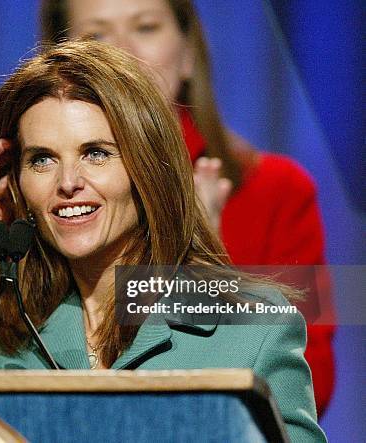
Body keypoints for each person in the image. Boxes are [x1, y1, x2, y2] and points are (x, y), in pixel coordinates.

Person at [0, 40, 325, 442]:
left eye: (96, 153)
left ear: (146, 168)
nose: (67, 182)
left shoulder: (252, 327)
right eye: (42, 160)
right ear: (17, 181)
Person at [38, 0, 335, 414]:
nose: (124, 53)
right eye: (97, 36)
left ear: (189, 54)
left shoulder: (276, 190)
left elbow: (307, 381)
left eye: (145, 27)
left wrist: (201, 267)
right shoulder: (40, 190)